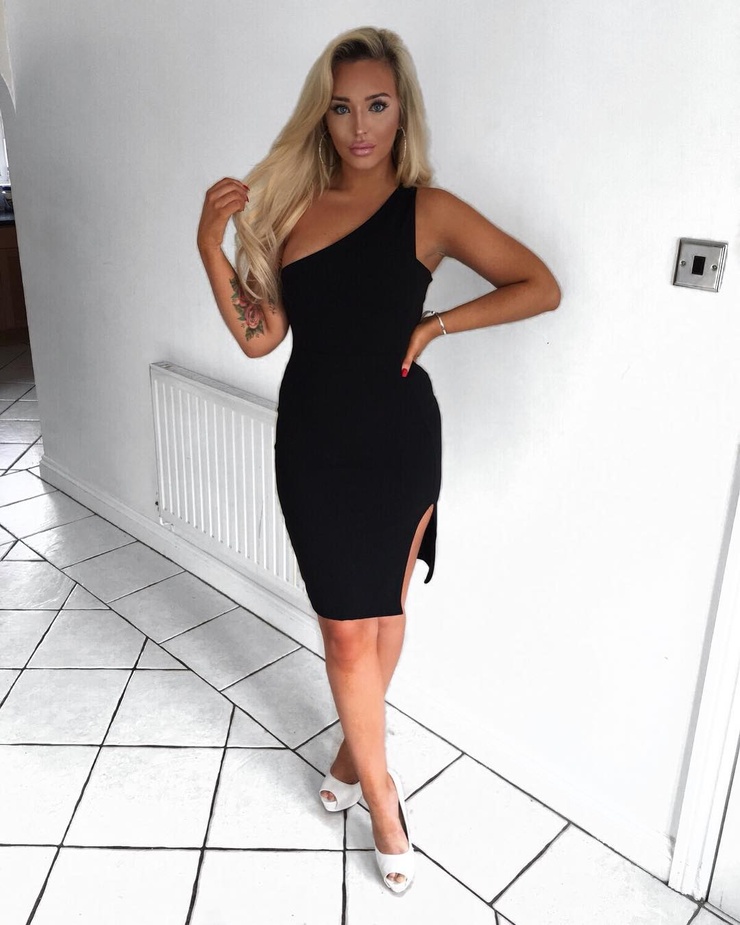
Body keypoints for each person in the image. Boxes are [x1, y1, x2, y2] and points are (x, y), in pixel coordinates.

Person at [197, 25, 560, 895]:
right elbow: (262, 338)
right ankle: (383, 791)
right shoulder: (291, 210)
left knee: (383, 613)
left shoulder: (428, 209)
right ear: (321, 116)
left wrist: (436, 325)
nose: (359, 126)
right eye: (341, 108)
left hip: (398, 442)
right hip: (313, 443)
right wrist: (211, 246)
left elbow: (539, 285)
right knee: (342, 627)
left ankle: (353, 757)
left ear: (402, 111)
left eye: (377, 105)